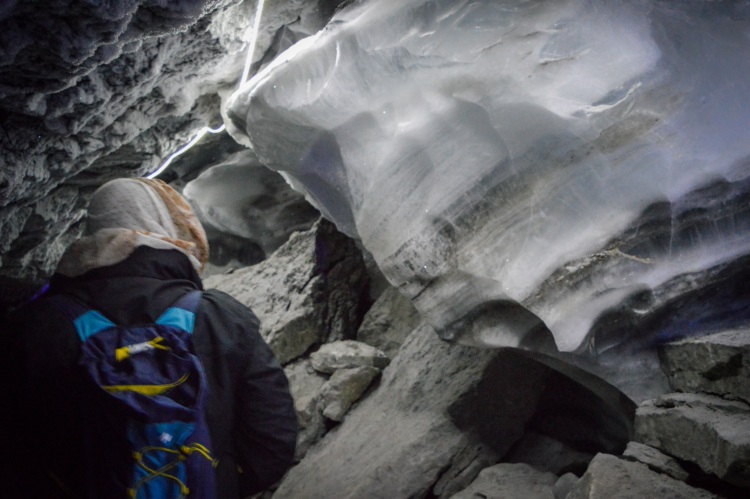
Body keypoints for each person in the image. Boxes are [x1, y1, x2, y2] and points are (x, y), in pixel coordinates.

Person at [0, 177, 298, 498]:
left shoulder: (33, 329)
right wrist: (221, 482)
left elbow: (15, 456)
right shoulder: (217, 314)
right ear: (164, 225)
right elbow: (274, 436)